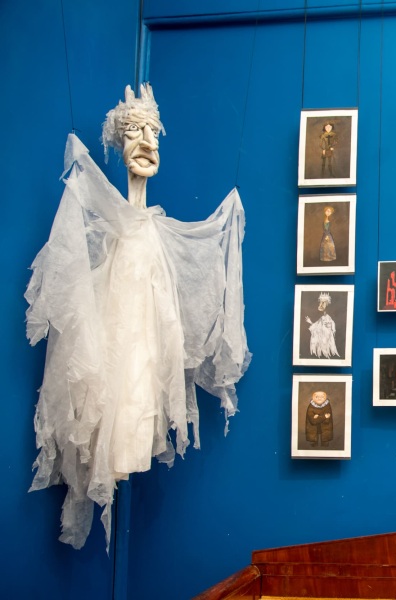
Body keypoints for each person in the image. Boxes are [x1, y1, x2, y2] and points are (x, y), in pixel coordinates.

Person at [25, 84, 249, 549]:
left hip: (145, 344)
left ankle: (127, 446)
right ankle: (113, 451)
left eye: (152, 133)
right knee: (118, 366)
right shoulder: (110, 221)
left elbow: (194, 265)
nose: (147, 142)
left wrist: (226, 220)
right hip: (116, 337)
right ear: (117, 142)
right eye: (133, 132)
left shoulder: (154, 229)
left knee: (141, 367)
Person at [306, 292, 340, 358]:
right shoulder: (322, 318)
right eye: (320, 302)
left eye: (323, 303)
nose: (320, 305)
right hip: (320, 348)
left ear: (328, 305)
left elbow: (326, 334)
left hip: (325, 348)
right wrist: (310, 322)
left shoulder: (328, 319)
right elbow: (317, 327)